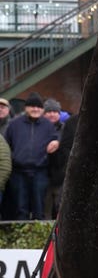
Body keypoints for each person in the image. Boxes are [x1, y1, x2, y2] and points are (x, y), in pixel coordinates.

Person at [3, 92, 59, 220]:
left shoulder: (48, 125)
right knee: (20, 208)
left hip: (40, 171)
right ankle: (22, 237)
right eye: (32, 106)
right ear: (26, 108)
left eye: (38, 107)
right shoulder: (14, 124)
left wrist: (56, 142)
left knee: (39, 207)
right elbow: (6, 145)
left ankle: (39, 238)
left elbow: (56, 139)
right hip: (18, 172)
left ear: (42, 109)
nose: (35, 109)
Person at [43, 98, 65, 219]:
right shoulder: (40, 128)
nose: (52, 114)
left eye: (55, 111)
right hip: (43, 174)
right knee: (45, 206)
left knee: (59, 206)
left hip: (60, 174)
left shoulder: (65, 129)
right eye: (49, 111)